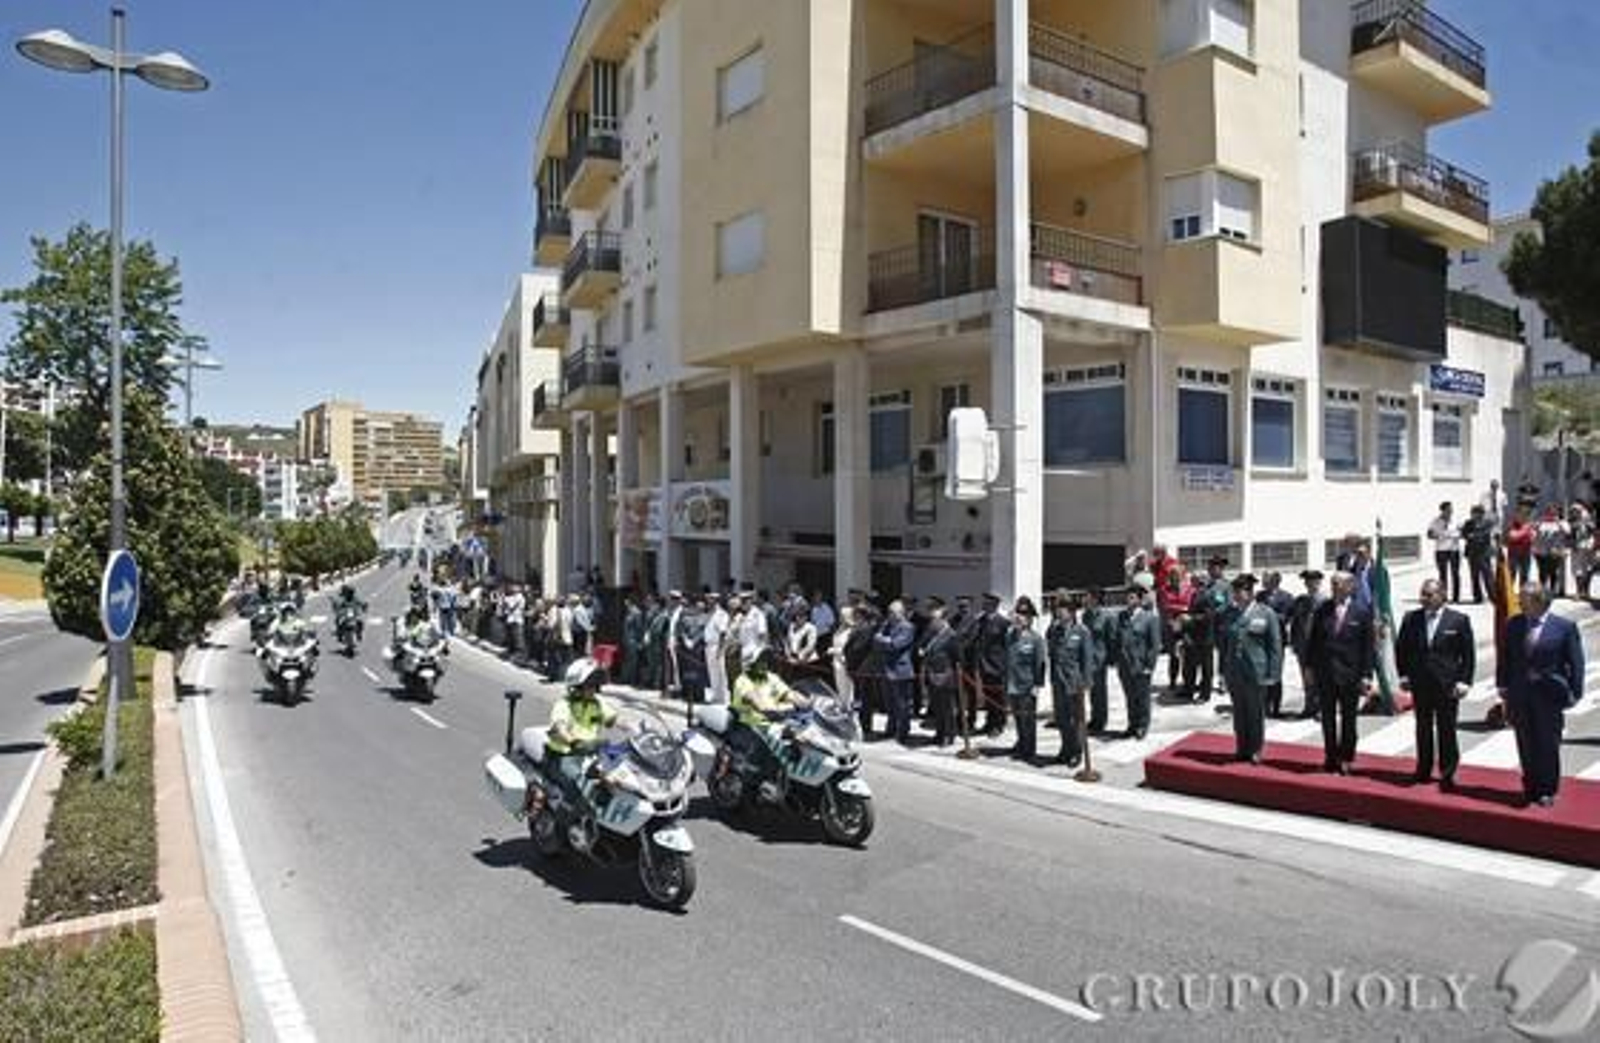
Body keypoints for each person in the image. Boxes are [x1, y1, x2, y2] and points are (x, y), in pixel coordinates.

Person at [1497, 583, 1585, 808]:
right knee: (1525, 742)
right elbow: (1506, 657)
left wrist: (1575, 692)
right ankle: (1530, 786)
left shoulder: (1563, 627)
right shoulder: (1514, 624)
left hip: (1549, 695)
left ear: (1539, 601)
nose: (1519, 601)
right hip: (1521, 694)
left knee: (1547, 744)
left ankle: (1547, 789)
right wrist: (1503, 686)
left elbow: (1576, 662)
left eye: (1524, 598)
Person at [1395, 579, 1475, 789]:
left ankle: (1448, 772)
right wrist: (1403, 675)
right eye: (1423, 594)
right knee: (1423, 727)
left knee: (1446, 729)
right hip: (1420, 683)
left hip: (1447, 684)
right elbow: (1402, 649)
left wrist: (1464, 681)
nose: (1424, 598)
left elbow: (1468, 655)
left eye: (1429, 595)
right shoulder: (1411, 619)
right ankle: (1423, 769)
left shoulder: (1458, 620)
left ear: (1442, 595)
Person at [1305, 572, 1374, 774]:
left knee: (1348, 719)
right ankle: (1330, 757)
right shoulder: (1322, 610)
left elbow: (1368, 648)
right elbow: (1313, 642)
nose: (1335, 587)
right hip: (1326, 673)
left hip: (1350, 675)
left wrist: (1366, 675)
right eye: (1333, 583)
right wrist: (1308, 667)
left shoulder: (1361, 612)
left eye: (1339, 583)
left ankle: (1346, 757)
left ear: (1351, 586)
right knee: (1327, 718)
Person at [729, 646, 810, 801]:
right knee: (764, 760)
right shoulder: (743, 681)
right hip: (751, 726)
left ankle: (796, 783)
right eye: (761, 659)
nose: (765, 662)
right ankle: (761, 788)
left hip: (773, 723)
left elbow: (788, 693)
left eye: (766, 659)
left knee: (801, 742)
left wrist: (807, 702)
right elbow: (754, 699)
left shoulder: (770, 677)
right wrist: (767, 709)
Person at [544, 657, 619, 809]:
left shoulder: (597, 704)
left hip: (590, 754)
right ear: (577, 686)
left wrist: (638, 728)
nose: (593, 689)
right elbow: (560, 727)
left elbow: (613, 719)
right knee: (577, 789)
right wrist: (573, 742)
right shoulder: (564, 704)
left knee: (618, 778)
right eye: (589, 685)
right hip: (564, 756)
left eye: (595, 685)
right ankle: (564, 821)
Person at [1222, 574, 1281, 765]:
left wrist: (1274, 673)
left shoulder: (1265, 613)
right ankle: (1242, 747)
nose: (1237, 596)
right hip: (1235, 671)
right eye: (1235, 592)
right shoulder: (1230, 613)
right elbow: (1225, 645)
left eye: (1240, 592)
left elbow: (1275, 646)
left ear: (1250, 593)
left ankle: (1256, 749)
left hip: (1257, 671)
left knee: (1255, 713)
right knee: (1239, 712)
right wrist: (1223, 671)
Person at [1045, 591, 1091, 768]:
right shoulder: (1054, 630)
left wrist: (1086, 682)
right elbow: (1052, 654)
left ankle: (1077, 752)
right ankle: (1065, 748)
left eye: (1063, 609)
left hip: (1074, 683)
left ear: (1071, 612)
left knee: (1077, 720)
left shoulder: (1082, 632)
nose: (1059, 612)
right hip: (1058, 681)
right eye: (1058, 609)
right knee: (1062, 719)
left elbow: (1086, 659)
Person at [1116, 581, 1162, 741]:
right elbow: (1118, 639)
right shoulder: (1122, 616)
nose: (1128, 600)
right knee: (1130, 697)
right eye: (1127, 597)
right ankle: (1132, 724)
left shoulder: (1150, 618)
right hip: (1125, 665)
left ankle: (1142, 725)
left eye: (1131, 597)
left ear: (1139, 599)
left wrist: (1150, 666)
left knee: (1142, 697)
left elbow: (1154, 645)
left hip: (1141, 665)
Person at [1003, 596, 1047, 761]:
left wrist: (1037, 685)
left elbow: (1040, 664)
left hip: (1027, 686)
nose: (1019, 618)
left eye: (1023, 615)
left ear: (1030, 619)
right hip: (1013, 684)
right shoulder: (1010, 636)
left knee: (1028, 720)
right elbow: (1008, 660)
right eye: (1018, 615)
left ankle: (1029, 749)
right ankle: (1021, 743)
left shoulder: (1036, 639)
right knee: (1018, 718)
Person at [918, 599, 961, 747]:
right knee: (936, 707)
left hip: (946, 676)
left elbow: (958, 657)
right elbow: (921, 646)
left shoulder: (951, 635)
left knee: (947, 708)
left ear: (943, 619)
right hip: (932, 674)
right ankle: (940, 733)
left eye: (935, 618)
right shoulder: (931, 632)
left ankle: (949, 735)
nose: (932, 621)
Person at [874, 600, 917, 744]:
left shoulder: (908, 627)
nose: (889, 615)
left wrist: (882, 640)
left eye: (892, 612)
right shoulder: (887, 625)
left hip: (901, 670)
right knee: (889, 704)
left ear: (901, 613)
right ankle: (890, 729)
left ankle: (903, 732)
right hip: (886, 669)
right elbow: (876, 640)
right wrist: (883, 637)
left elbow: (896, 644)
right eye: (889, 612)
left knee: (902, 705)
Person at [1289, 570, 1328, 720]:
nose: (1309, 584)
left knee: (1320, 678)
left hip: (1319, 646)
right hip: (1303, 646)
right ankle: (1309, 706)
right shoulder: (1301, 600)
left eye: (1312, 581)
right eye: (1307, 581)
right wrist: (1294, 641)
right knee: (1306, 677)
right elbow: (1295, 622)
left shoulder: (1325, 601)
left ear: (1318, 582)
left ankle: (1321, 708)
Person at [971, 594, 1011, 736]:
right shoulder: (980, 620)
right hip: (983, 664)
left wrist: (1005, 665)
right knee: (988, 696)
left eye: (987, 603)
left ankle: (998, 724)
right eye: (984, 603)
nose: (984, 605)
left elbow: (1007, 646)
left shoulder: (1003, 623)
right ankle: (989, 722)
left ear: (995, 604)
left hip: (997, 665)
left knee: (998, 697)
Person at [1082, 587, 1115, 734]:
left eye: (1087, 596)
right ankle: (1095, 718)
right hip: (1087, 658)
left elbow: (1111, 639)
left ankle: (1101, 720)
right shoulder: (1085, 616)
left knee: (1100, 691)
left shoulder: (1107, 616)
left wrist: (1110, 659)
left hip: (1100, 659)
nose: (1085, 599)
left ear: (1095, 599)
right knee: (1092, 690)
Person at [1460, 505, 1496, 604]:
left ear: (1481, 514)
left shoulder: (1487, 523)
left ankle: (1492, 595)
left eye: (1475, 513)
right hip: (1472, 553)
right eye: (1472, 513)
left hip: (1484, 553)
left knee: (1488, 576)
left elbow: (1485, 534)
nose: (1473, 515)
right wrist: (1471, 535)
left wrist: (1474, 535)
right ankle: (1477, 597)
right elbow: (1463, 534)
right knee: (1474, 576)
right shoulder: (1468, 523)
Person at [1532, 504, 1571, 598]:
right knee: (1542, 572)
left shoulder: (1562, 522)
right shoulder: (1542, 522)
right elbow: (1534, 532)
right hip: (1541, 552)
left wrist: (1557, 522)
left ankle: (1552, 591)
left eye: (1553, 511)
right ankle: (1542, 591)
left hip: (1555, 552)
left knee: (1553, 572)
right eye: (1549, 511)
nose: (1551, 513)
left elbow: (1567, 532)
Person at [1428, 502, 1462, 603]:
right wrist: (1438, 536)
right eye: (1448, 510)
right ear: (1443, 510)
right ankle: (1443, 596)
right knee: (1443, 574)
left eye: (1451, 510)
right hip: (1441, 550)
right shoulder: (1435, 521)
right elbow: (1429, 534)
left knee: (1455, 574)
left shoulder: (1456, 520)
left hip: (1454, 550)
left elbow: (1462, 532)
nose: (1450, 512)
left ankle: (1456, 597)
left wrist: (1457, 535)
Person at [704, 593, 732, 704]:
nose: (708, 603)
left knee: (721, 672)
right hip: (709, 645)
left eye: (710, 600)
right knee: (712, 673)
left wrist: (720, 649)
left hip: (717, 646)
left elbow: (723, 633)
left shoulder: (721, 615)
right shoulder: (711, 614)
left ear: (716, 601)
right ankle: (716, 696)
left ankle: (724, 697)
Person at [1570, 504, 1597, 601]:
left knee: (1589, 570)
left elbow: (1594, 532)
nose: (1575, 513)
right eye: (1573, 511)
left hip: (1589, 547)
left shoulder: (1589, 521)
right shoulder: (1572, 522)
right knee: (1578, 571)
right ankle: (1578, 592)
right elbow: (1569, 536)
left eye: (1577, 511)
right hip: (1577, 548)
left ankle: (1586, 592)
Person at [1505, 509, 1535, 590]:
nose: (1522, 518)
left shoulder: (1529, 526)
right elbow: (1513, 536)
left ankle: (1523, 594)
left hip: (1526, 553)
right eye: (1519, 516)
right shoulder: (1512, 525)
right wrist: (1525, 531)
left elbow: (1533, 538)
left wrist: (1527, 532)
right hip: (1514, 553)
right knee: (1512, 574)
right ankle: (1509, 594)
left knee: (1525, 575)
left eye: (1524, 516)